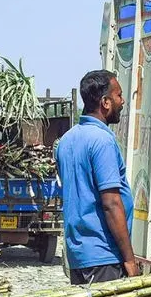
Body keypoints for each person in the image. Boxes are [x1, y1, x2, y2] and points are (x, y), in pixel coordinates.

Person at [55, 69, 137, 285]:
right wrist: (129, 260)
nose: (123, 101)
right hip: (103, 256)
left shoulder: (67, 140)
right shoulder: (102, 141)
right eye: (118, 95)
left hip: (78, 255)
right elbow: (111, 203)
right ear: (105, 102)